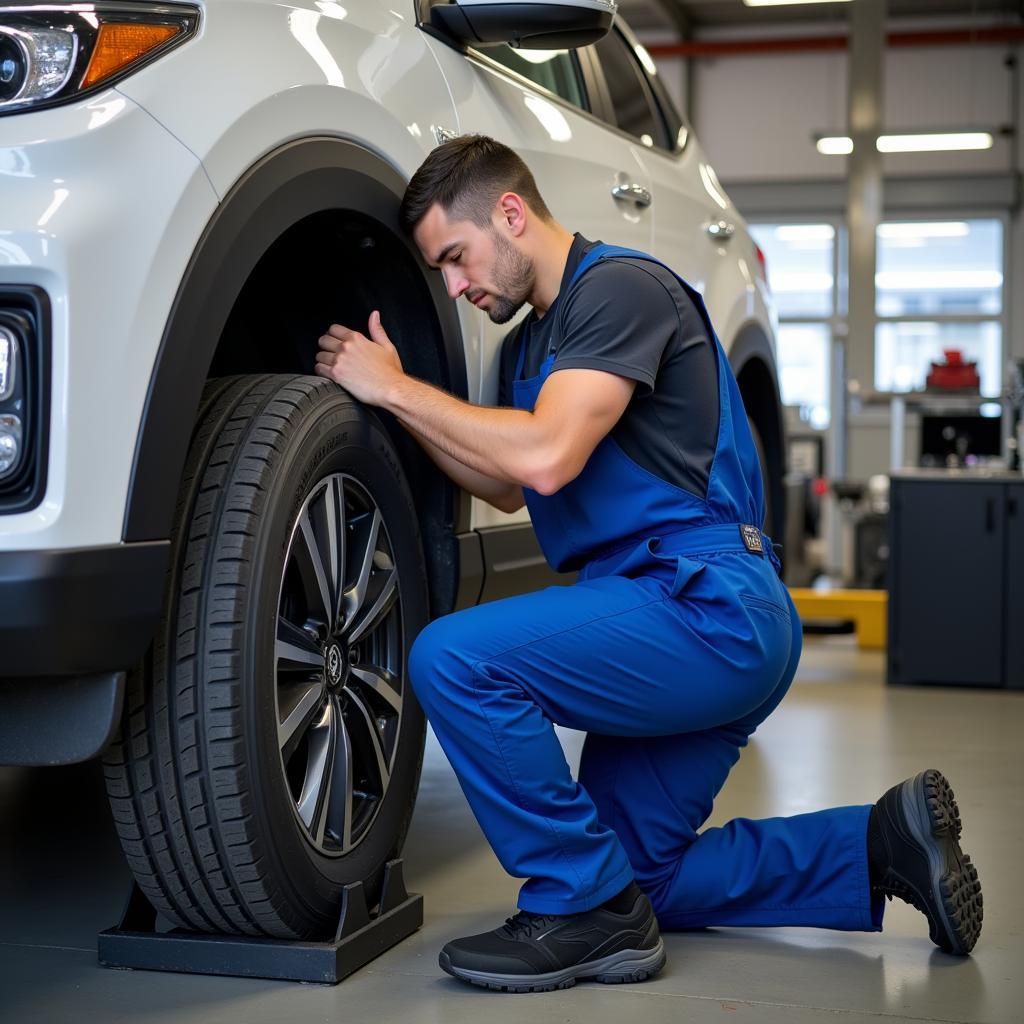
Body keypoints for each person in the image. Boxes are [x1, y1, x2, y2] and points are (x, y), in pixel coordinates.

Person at [314, 135, 982, 993]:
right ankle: (877, 845)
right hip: (664, 611)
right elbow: (509, 484)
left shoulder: (619, 289)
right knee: (642, 879)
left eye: (456, 256)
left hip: (706, 605)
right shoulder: (527, 351)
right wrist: (400, 394)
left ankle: (577, 906)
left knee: (455, 658)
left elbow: (547, 456)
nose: (453, 285)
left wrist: (393, 389)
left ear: (510, 214)